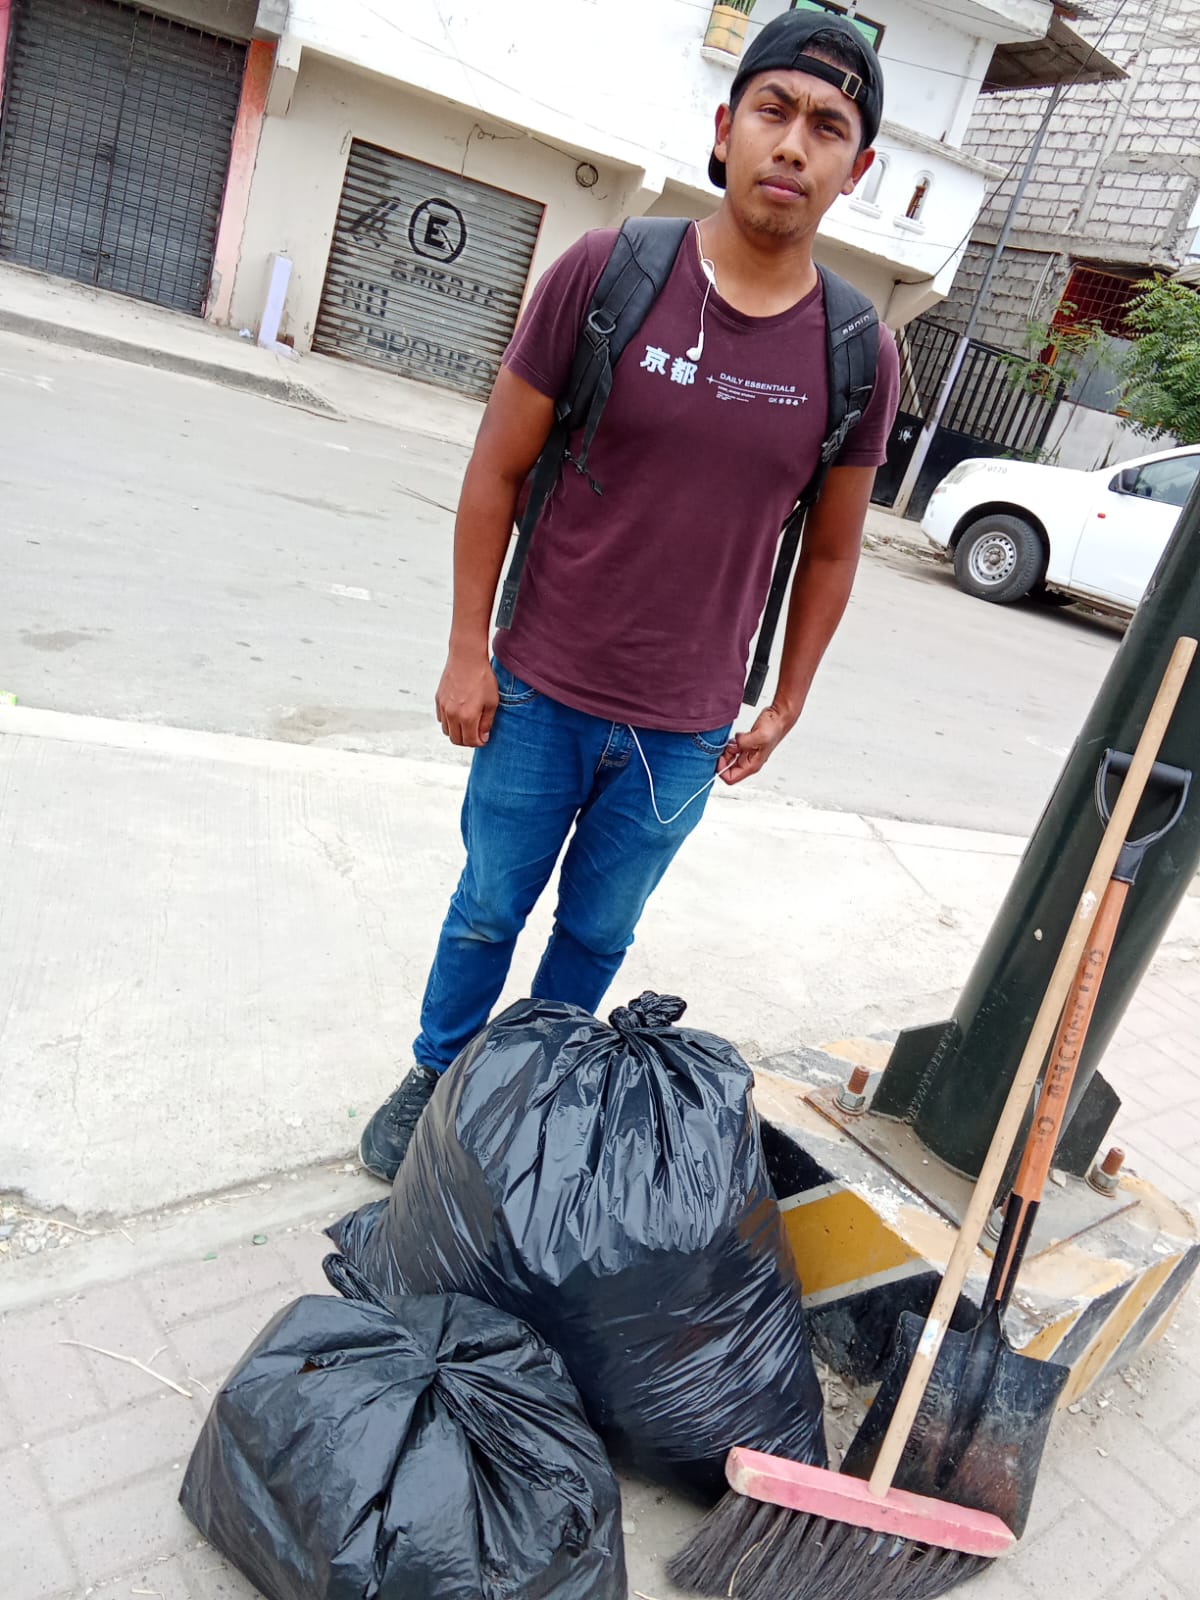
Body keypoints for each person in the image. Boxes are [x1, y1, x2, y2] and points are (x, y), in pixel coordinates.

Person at [359, 9, 901, 1181]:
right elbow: (497, 467)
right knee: (487, 906)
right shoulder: (609, 274)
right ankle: (436, 1074)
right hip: (538, 687)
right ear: (725, 127)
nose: (793, 143)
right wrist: (466, 649)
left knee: (596, 934)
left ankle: (524, 1103)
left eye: (827, 127)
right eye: (773, 111)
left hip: (685, 727)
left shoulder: (858, 349)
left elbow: (831, 552)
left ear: (855, 171)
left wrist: (788, 698)